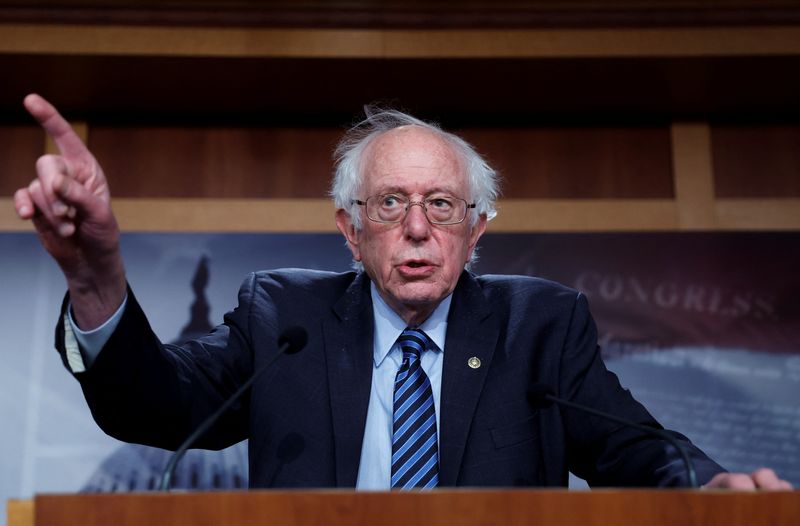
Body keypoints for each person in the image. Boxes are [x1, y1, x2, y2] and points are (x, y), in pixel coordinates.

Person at [14, 94, 792, 490]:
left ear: (476, 229)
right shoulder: (284, 317)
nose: (417, 228)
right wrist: (93, 274)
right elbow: (150, 405)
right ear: (350, 232)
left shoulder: (540, 326)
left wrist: (709, 484)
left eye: (441, 206)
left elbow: (636, 445)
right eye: (389, 204)